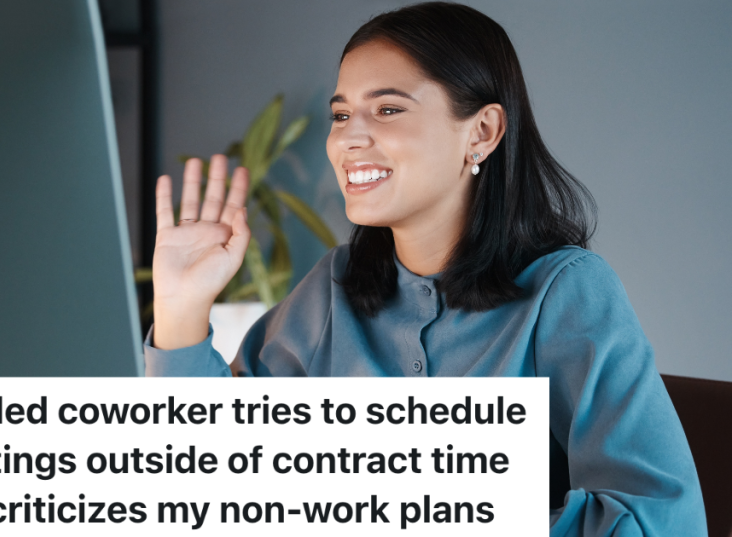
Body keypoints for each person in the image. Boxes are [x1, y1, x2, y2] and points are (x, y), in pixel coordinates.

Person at [144, 2, 706, 535]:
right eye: (341, 114)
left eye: (387, 109)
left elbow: (660, 521)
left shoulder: (564, 293)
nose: (349, 138)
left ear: (481, 132)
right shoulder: (331, 292)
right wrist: (181, 309)